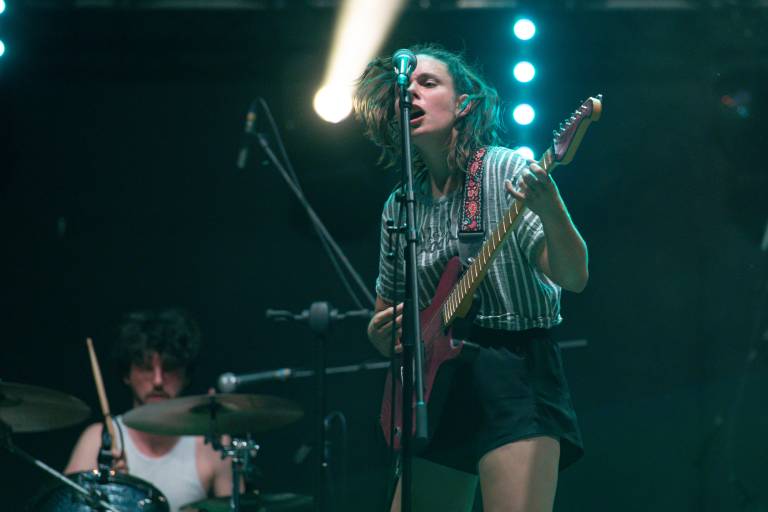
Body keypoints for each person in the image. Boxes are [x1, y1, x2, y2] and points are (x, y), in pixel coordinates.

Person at [354, 44, 588, 512]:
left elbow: (574, 276)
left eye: (428, 83)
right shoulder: (401, 205)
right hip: (438, 385)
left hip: (514, 374)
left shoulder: (504, 169)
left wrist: (552, 210)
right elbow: (389, 317)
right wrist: (380, 335)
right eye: (405, 87)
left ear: (463, 104)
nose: (411, 93)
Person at [65, 308, 239, 512]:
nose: (158, 381)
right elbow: (63, 505)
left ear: (186, 375)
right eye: (146, 367)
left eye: (169, 367)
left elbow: (240, 506)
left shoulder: (210, 444)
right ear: (127, 374)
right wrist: (107, 490)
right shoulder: (98, 440)